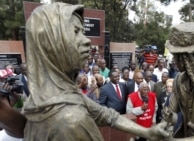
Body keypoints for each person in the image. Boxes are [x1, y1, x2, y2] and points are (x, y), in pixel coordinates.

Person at [22, 2, 168, 141]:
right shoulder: (73, 120)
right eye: (75, 32)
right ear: (50, 42)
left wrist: (146, 132)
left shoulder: (50, 98)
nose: (86, 40)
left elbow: (106, 115)